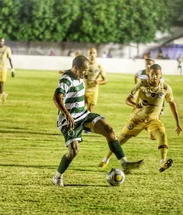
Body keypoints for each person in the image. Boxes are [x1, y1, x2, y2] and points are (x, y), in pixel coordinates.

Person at [52, 55, 143, 187]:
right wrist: (67, 115)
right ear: (76, 68)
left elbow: (83, 75)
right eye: (84, 70)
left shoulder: (78, 74)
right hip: (69, 120)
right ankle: (57, 177)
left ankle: (125, 163)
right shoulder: (66, 80)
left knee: (109, 130)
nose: (86, 73)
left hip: (83, 115)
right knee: (74, 151)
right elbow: (56, 98)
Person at [99, 64, 182, 172]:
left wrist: (178, 123)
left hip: (153, 120)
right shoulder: (141, 85)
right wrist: (135, 104)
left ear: (161, 74)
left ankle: (163, 163)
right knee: (119, 140)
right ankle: (105, 159)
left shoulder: (166, 88)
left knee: (162, 134)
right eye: (152, 74)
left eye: (157, 74)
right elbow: (127, 99)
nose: (155, 77)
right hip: (136, 119)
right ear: (149, 74)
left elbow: (172, 103)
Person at [84, 48, 107, 113]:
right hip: (83, 90)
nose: (92, 55)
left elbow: (105, 80)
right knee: (80, 110)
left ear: (96, 54)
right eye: (90, 53)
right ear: (88, 54)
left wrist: (98, 82)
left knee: (90, 110)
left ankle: (88, 123)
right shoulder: (84, 65)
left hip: (93, 91)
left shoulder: (99, 66)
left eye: (94, 53)